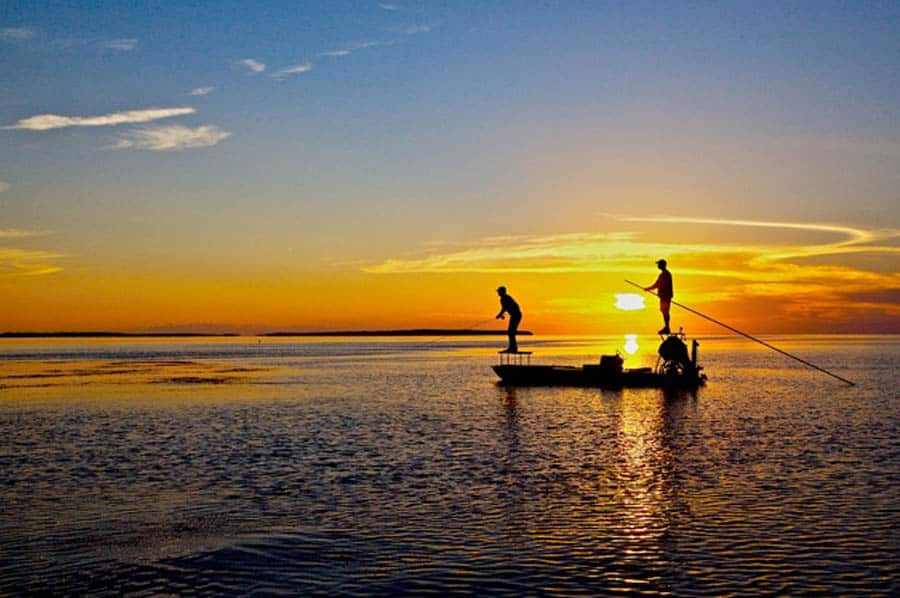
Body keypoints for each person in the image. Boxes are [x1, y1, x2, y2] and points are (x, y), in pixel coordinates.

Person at [644, 259, 673, 335]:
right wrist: (649, 288)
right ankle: (667, 327)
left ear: (662, 265)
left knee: (665, 311)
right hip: (664, 296)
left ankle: (667, 328)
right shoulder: (664, 274)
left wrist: (648, 288)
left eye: (659, 264)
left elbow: (658, 284)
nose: (658, 266)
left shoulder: (665, 274)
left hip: (665, 297)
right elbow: (658, 284)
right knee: (663, 311)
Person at [495, 286, 522, 352]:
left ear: (502, 292)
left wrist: (499, 315)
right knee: (511, 332)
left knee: (511, 332)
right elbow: (506, 308)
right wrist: (501, 314)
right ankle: (513, 347)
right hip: (515, 315)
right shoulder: (506, 298)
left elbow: (504, 308)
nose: (498, 293)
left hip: (516, 315)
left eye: (498, 291)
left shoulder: (504, 298)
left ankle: (513, 348)